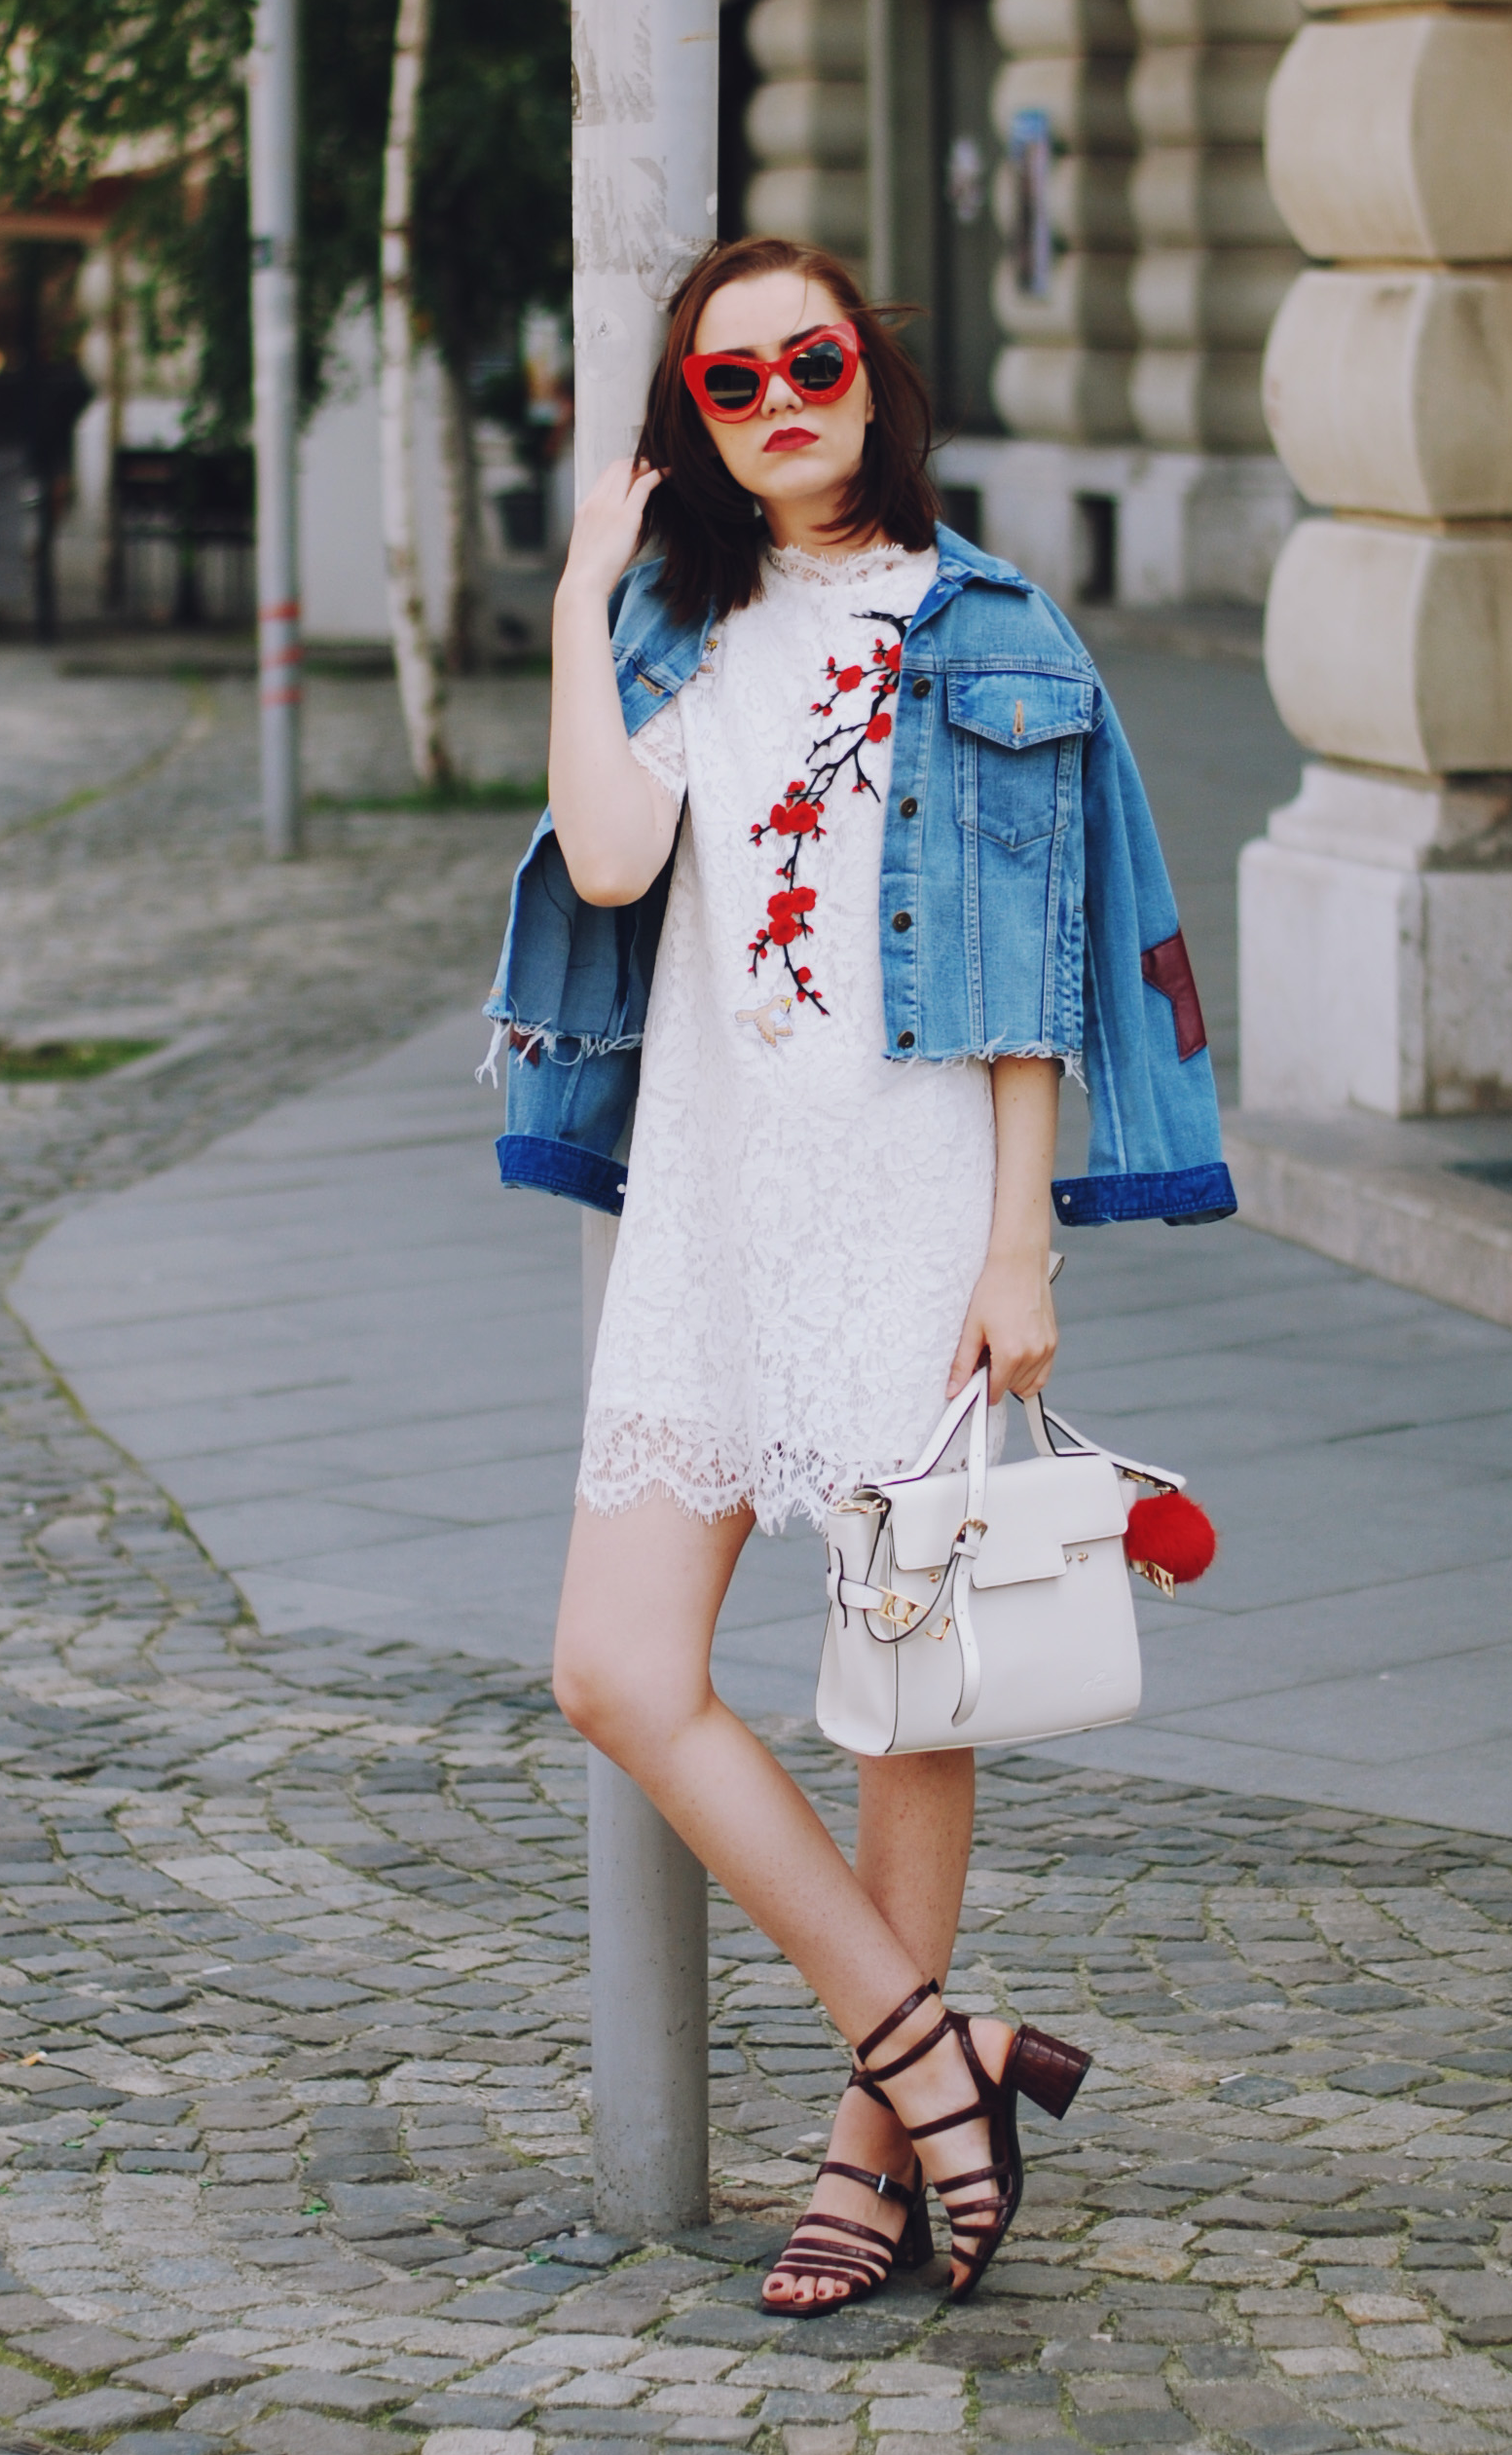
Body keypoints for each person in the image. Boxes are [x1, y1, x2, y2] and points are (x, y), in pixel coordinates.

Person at [486, 235, 1233, 2315]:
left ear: (870, 380)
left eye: (812, 360)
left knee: (907, 1691)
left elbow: (1033, 984)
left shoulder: (983, 627)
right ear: (691, 432)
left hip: (911, 1204)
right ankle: (937, 2047)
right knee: (616, 1665)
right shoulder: (675, 624)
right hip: (715, 1203)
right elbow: (618, 859)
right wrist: (575, 597)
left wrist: (1023, 1241)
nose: (781, 398)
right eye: (731, 384)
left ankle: (866, 2147)